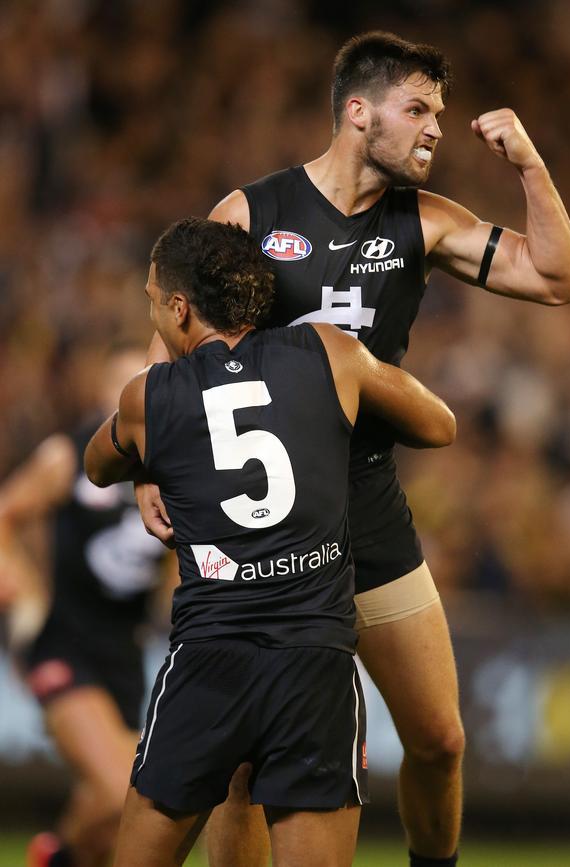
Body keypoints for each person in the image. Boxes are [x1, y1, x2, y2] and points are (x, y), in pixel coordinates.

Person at [140, 31, 570, 867]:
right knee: (242, 766)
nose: (434, 130)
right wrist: (152, 470)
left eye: (440, 115)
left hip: (368, 502)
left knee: (441, 738)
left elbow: (559, 278)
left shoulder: (424, 221)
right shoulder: (253, 214)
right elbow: (173, 325)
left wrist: (529, 163)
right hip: (267, 517)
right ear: (357, 112)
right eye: (417, 109)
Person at [84, 217, 456, 867]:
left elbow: (96, 463)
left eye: (152, 299)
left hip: (210, 658)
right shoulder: (327, 353)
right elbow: (438, 423)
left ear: (179, 308)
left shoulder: (151, 398)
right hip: (315, 662)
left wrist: (149, 463)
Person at [0, 344, 167, 867]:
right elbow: (5, 516)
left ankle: (56, 856)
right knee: (128, 788)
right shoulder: (68, 455)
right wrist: (26, 595)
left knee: (107, 817)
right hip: (63, 642)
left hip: (125, 650)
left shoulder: (173, 468)